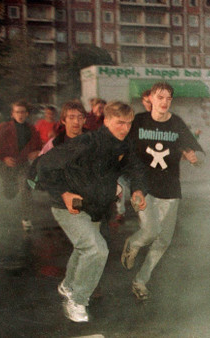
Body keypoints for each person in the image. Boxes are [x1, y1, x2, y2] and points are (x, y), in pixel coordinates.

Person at [36, 101, 148, 322]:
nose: (125, 128)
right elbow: (43, 166)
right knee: (96, 250)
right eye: (119, 123)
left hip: (96, 209)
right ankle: (77, 300)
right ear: (106, 121)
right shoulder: (87, 142)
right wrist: (64, 194)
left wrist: (138, 190)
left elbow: (135, 168)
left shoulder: (124, 145)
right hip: (68, 207)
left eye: (129, 123)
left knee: (84, 247)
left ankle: (68, 286)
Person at [121, 82, 203, 301]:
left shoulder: (177, 123)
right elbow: (122, 147)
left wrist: (192, 157)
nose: (164, 102)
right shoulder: (139, 121)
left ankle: (140, 281)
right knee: (149, 231)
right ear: (150, 99)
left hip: (170, 187)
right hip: (144, 185)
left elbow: (195, 153)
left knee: (164, 240)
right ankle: (134, 243)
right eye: (160, 97)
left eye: (168, 98)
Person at [0, 100, 42, 231]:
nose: (20, 115)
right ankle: (12, 189)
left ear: (27, 114)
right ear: (12, 114)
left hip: (24, 165)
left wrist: (36, 152)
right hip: (8, 166)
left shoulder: (31, 129)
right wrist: (4, 157)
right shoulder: (4, 127)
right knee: (9, 193)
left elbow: (38, 146)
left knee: (25, 188)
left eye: (23, 112)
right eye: (17, 112)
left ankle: (26, 219)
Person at [111, 89, 153, 229]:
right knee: (121, 186)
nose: (150, 104)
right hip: (129, 162)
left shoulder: (160, 119)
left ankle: (144, 216)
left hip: (147, 162)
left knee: (142, 190)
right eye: (147, 102)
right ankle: (121, 212)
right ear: (143, 102)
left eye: (152, 101)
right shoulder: (136, 120)